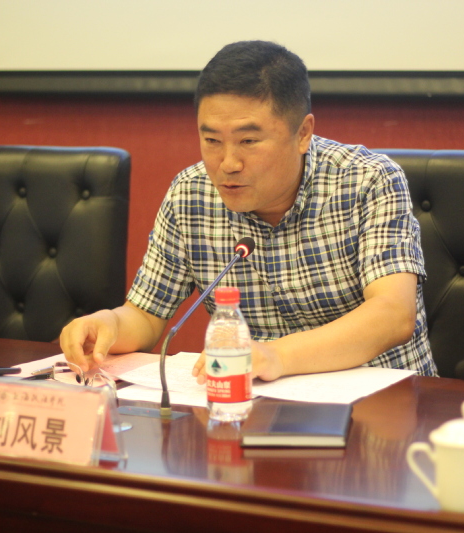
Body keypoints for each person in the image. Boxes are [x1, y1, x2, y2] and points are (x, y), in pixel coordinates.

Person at [61, 41, 437, 381]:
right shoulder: (190, 194)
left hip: (381, 404)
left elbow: (392, 314)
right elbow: (146, 315)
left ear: (303, 133)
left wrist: (276, 356)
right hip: (255, 406)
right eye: (211, 140)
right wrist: (108, 324)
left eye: (248, 141)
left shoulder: (368, 180)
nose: (228, 163)